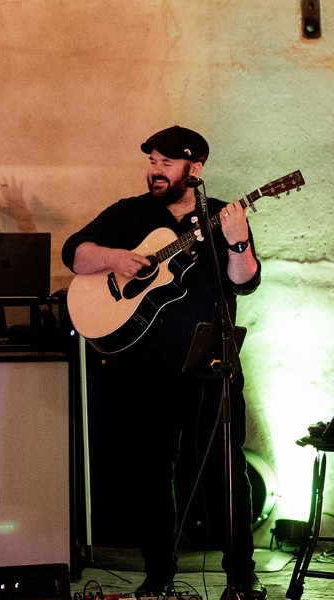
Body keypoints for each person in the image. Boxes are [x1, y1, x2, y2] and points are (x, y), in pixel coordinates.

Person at [62, 126, 266, 599]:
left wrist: (238, 241)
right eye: (152, 161)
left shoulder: (222, 216)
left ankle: (240, 578)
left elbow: (245, 282)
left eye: (166, 163)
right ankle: (158, 576)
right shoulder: (129, 213)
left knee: (223, 470)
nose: (155, 171)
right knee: (150, 473)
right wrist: (115, 258)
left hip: (209, 364)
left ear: (195, 169)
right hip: (144, 368)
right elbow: (75, 252)